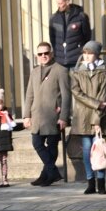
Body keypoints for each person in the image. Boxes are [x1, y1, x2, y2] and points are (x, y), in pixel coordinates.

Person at [23, 42, 71, 187]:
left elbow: (66, 95)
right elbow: (29, 94)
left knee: (51, 147)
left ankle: (46, 177)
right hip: (37, 115)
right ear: (37, 56)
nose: (43, 56)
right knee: (36, 143)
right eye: (40, 54)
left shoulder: (60, 70)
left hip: (52, 116)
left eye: (46, 53)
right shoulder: (35, 71)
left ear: (51, 53)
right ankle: (53, 172)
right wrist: (26, 115)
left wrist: (63, 116)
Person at [71, 40, 106, 195]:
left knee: (99, 150)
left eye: (90, 53)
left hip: (98, 118)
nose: (87, 56)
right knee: (87, 151)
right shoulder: (77, 72)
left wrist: (97, 120)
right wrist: (96, 104)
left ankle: (101, 183)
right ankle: (90, 182)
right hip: (82, 116)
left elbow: (103, 96)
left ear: (97, 54)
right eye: (85, 53)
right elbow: (76, 93)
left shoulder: (105, 72)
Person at [49, 0, 92, 69]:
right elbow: (52, 38)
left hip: (76, 60)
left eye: (61, 3)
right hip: (60, 61)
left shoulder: (81, 17)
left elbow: (87, 36)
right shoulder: (54, 19)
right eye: (57, 4)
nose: (59, 6)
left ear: (67, 2)